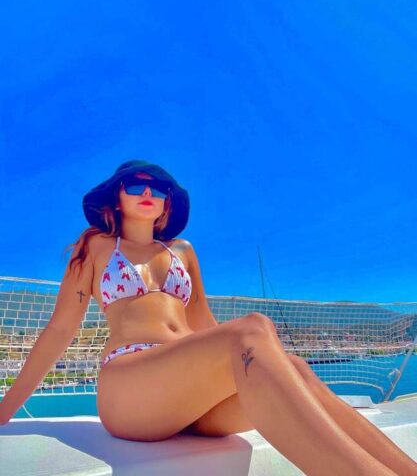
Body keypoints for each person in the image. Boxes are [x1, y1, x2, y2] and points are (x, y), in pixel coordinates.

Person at [0, 159, 416, 476]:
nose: (149, 192)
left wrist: (254, 361)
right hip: (130, 386)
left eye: (159, 188)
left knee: (294, 367)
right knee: (254, 326)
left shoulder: (182, 252)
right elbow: (60, 329)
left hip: (188, 396)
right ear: (117, 196)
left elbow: (206, 325)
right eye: (137, 185)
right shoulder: (97, 247)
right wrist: (4, 411)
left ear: (167, 202)